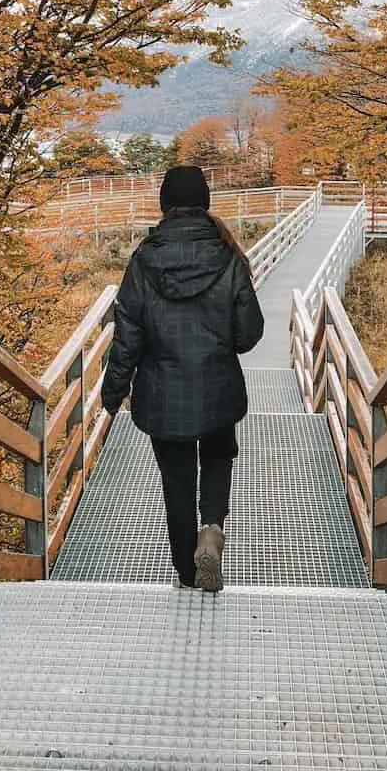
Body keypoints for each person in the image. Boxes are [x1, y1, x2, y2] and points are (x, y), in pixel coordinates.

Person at [101, 165, 264, 592]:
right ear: (205, 203)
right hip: (217, 389)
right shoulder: (228, 257)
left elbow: (127, 338)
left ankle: (187, 573)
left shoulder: (143, 260)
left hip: (162, 395)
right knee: (216, 456)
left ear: (164, 205)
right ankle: (211, 527)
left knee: (176, 484)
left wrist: (112, 392)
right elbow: (248, 336)